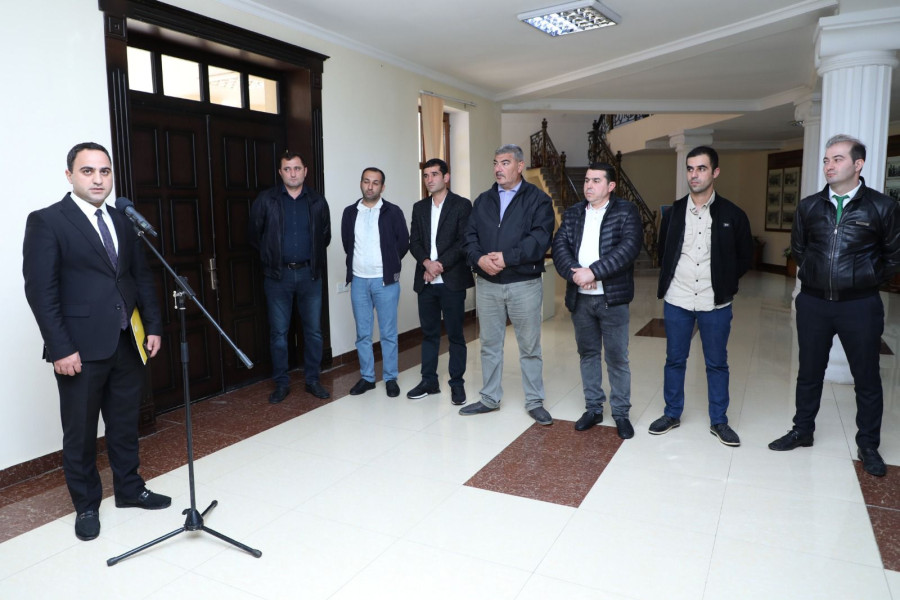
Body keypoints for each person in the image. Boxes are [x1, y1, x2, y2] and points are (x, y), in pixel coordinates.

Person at [23, 142, 170, 542]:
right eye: (87, 171)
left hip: (126, 340)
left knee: (124, 424)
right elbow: (41, 292)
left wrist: (153, 325)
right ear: (69, 175)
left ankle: (129, 489)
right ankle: (86, 504)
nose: (98, 179)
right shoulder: (48, 221)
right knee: (81, 432)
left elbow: (139, 276)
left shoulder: (122, 219)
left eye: (104, 171)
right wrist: (60, 347)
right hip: (79, 349)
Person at [769, 134, 900, 477]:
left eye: (837, 159)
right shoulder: (809, 207)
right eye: (827, 159)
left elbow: (893, 256)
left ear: (858, 164)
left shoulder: (882, 207)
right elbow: (800, 249)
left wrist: (864, 278)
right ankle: (802, 430)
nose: (829, 165)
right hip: (814, 302)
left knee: (866, 376)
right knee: (809, 372)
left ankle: (868, 444)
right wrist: (817, 276)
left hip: (860, 306)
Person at [651, 146, 752, 446]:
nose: (694, 175)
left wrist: (725, 283)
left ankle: (719, 421)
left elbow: (745, 257)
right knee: (674, 359)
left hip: (715, 301)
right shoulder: (673, 213)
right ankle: (672, 413)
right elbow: (663, 251)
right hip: (678, 299)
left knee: (717, 362)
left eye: (701, 168)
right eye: (690, 169)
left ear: (715, 172)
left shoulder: (733, 214)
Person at [460, 144, 555, 424]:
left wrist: (506, 258)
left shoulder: (538, 199)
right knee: (489, 344)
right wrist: (479, 259)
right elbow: (469, 237)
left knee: (529, 346)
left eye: (504, 163)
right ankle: (489, 398)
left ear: (520, 165)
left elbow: (540, 239)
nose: (498, 169)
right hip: (488, 283)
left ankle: (534, 400)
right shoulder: (483, 200)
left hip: (524, 284)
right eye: (495, 163)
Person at [552, 162, 642, 439]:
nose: (588, 185)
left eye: (596, 180)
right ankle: (593, 408)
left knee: (617, 358)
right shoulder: (573, 213)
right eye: (587, 180)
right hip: (581, 299)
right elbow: (560, 247)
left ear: (611, 186)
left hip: (612, 299)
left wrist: (594, 272)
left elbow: (628, 249)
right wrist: (577, 275)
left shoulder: (626, 211)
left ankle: (621, 413)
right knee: (588, 354)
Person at [249, 151, 331, 404]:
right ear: (280, 172)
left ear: (305, 171)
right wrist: (272, 258)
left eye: (297, 168)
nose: (293, 173)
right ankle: (282, 383)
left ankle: (313, 380)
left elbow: (325, 236)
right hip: (278, 276)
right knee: (279, 333)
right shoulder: (267, 200)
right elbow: (254, 235)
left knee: (314, 332)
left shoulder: (317, 201)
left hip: (309, 274)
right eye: (287, 169)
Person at [407, 158, 474, 405]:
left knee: (455, 335)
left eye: (434, 174)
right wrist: (427, 263)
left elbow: (463, 242)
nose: (429, 179)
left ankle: (456, 384)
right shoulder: (419, 207)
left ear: (446, 177)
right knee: (429, 334)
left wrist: (438, 266)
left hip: (451, 280)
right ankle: (429, 381)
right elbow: (414, 242)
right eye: (426, 175)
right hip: (426, 281)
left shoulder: (462, 205)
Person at [341, 167, 409, 397]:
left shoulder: (393, 212)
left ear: (382, 187)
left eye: (375, 182)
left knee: (388, 333)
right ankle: (368, 378)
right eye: (366, 181)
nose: (370, 186)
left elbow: (403, 243)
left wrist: (389, 263)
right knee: (363, 334)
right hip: (359, 281)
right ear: (361, 183)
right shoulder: (350, 212)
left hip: (385, 281)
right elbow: (347, 243)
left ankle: (390, 378)